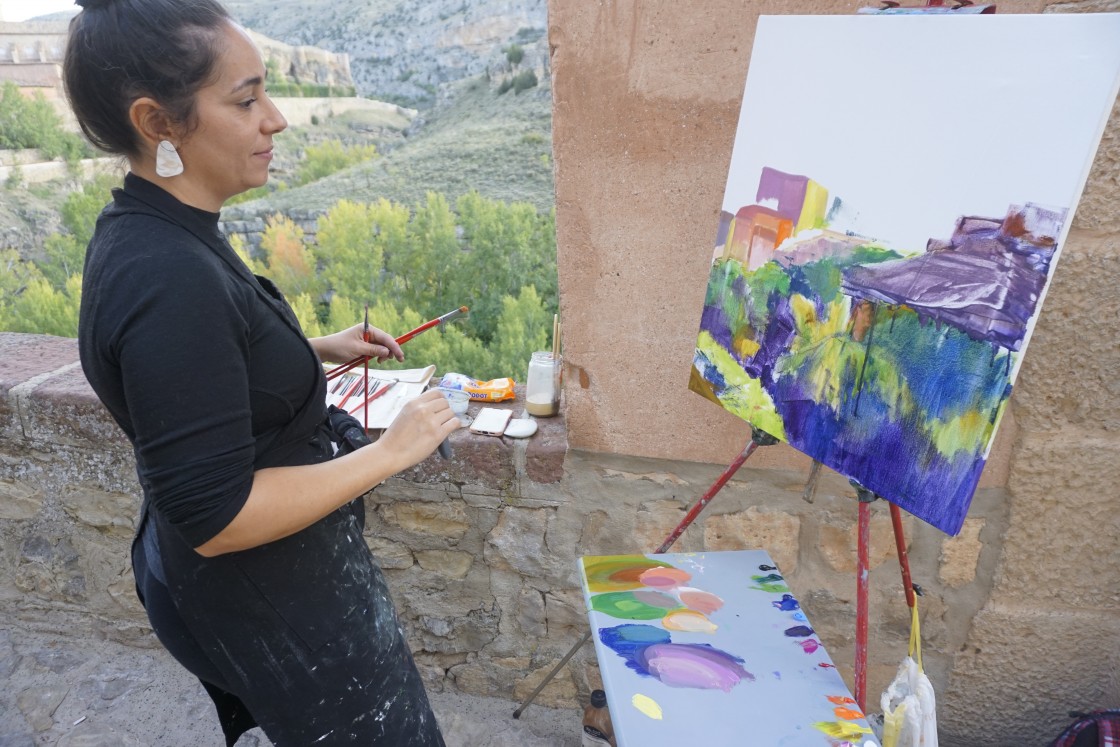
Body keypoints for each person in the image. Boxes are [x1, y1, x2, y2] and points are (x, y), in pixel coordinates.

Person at [63, 0, 460, 743]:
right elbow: (216, 517)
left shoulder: (151, 231)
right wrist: (387, 454)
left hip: (262, 584)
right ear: (158, 124)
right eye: (245, 100)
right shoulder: (167, 276)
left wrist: (310, 349)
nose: (274, 118)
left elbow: (198, 371)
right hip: (272, 595)